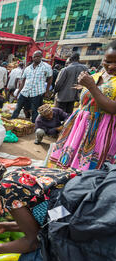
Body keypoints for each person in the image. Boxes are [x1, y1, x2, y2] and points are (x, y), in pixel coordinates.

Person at [48, 40, 116, 171]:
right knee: (67, 168)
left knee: (90, 173)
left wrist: (91, 87)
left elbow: (112, 108)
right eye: (108, 61)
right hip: (79, 127)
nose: (111, 66)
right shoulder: (96, 75)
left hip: (102, 131)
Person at [11, 51, 53, 123]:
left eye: (38, 56)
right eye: (35, 56)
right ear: (32, 58)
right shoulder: (28, 68)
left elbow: (50, 79)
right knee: (17, 108)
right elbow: (23, 81)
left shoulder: (46, 67)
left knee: (35, 111)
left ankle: (34, 124)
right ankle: (12, 121)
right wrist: (18, 92)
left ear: (41, 57)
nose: (36, 58)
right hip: (25, 92)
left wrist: (47, 91)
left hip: (37, 92)